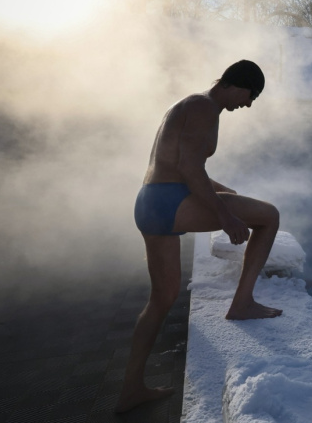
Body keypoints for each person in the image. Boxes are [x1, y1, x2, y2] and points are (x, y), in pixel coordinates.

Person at [116, 60, 282, 414]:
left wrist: (224, 192)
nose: (249, 105)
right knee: (269, 216)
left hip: (151, 202)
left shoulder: (192, 104)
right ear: (238, 85)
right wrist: (226, 215)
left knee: (162, 299)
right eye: (251, 96)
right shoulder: (204, 107)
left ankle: (131, 388)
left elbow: (180, 165)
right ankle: (242, 303)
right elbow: (190, 169)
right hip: (169, 201)